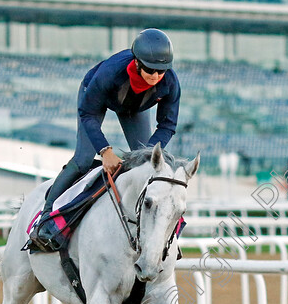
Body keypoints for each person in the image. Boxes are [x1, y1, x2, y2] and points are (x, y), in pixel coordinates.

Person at [30, 28, 182, 247]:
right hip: (95, 100)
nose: (156, 77)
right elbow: (88, 114)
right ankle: (45, 218)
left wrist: (145, 154)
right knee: (83, 161)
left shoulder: (171, 83)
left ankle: (162, 230)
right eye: (150, 70)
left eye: (161, 71)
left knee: (149, 165)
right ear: (137, 62)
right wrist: (105, 151)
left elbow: (168, 125)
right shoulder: (111, 73)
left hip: (134, 107)